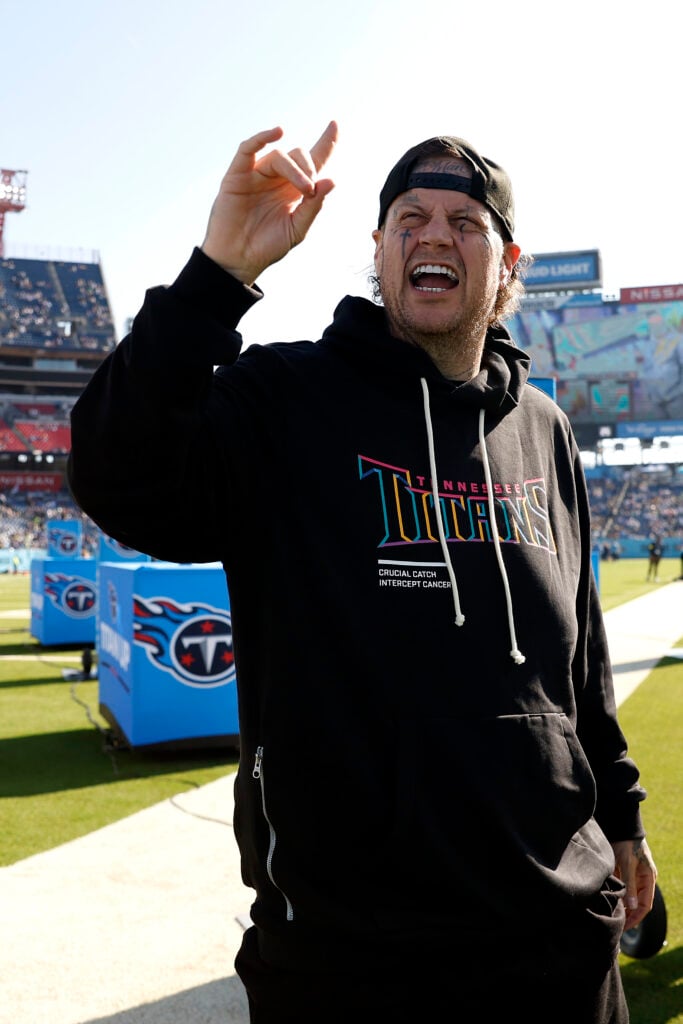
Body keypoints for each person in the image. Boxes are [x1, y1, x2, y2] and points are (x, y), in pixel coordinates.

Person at [67, 123, 657, 1023]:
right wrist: (216, 276)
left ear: (507, 263)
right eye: (409, 217)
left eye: (465, 223)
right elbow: (119, 477)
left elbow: (577, 669)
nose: (432, 235)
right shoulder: (285, 398)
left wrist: (625, 823)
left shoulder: (543, 427)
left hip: (561, 944)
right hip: (350, 960)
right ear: (376, 249)